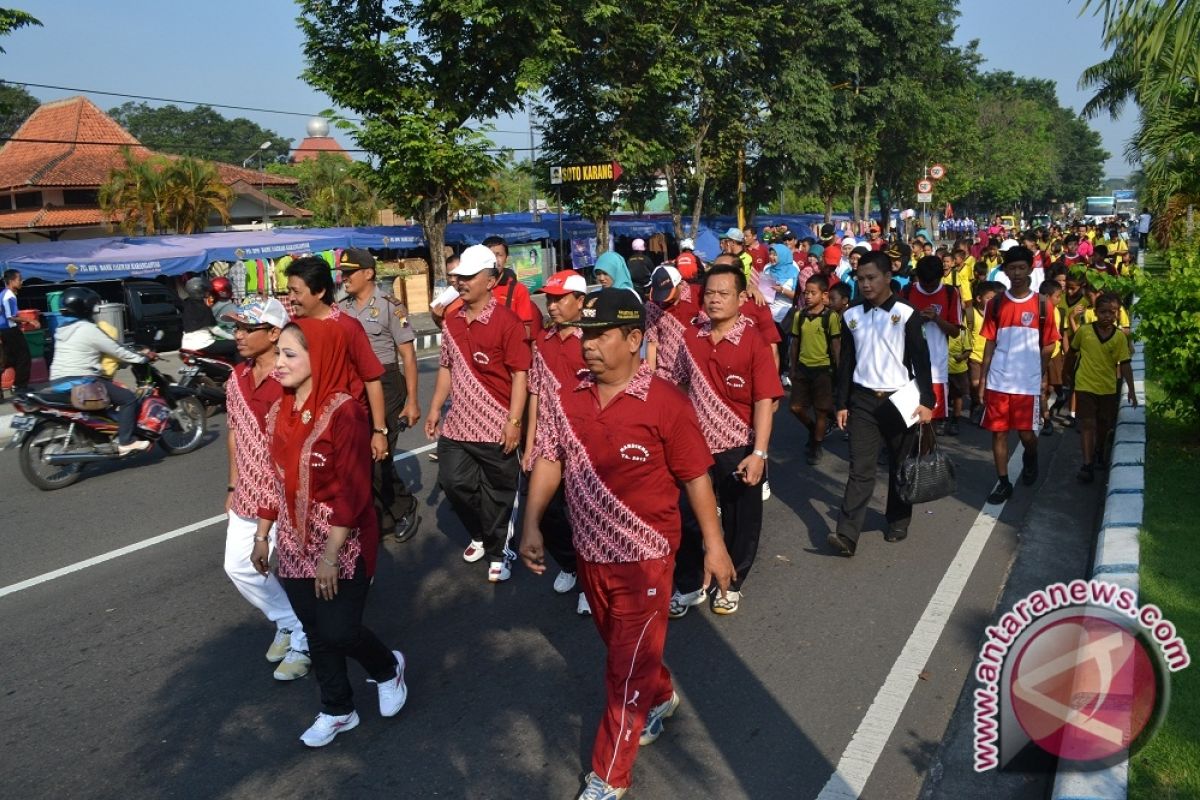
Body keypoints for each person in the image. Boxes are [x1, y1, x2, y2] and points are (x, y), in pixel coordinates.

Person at [518, 288, 735, 800]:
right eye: (586, 334)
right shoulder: (567, 396)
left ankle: (608, 776)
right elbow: (549, 457)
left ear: (635, 338)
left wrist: (714, 544)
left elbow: (696, 476)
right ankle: (659, 695)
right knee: (625, 651)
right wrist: (531, 524)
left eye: (601, 335)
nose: (588, 345)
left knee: (621, 671)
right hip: (591, 554)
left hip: (647, 561)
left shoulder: (665, 402)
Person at [254, 318, 406, 748]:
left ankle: (387, 669)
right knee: (316, 631)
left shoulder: (345, 412)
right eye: (277, 353)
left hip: (343, 540)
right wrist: (263, 535)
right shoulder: (277, 412)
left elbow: (356, 490)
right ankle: (338, 709)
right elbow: (273, 478)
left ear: (317, 358)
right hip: (294, 541)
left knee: (340, 630)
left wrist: (331, 554)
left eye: (289, 354)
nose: (278, 363)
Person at [667, 264, 783, 617]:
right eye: (710, 294)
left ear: (740, 298)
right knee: (684, 515)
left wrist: (759, 453)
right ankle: (688, 585)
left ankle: (731, 582)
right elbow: (680, 385)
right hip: (694, 448)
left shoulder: (754, 342)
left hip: (739, 447)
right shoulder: (691, 337)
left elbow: (765, 399)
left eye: (723, 294)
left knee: (740, 520)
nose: (715, 300)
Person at [424, 244, 530, 582]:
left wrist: (514, 422)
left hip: (496, 423)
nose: (461, 282)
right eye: (459, 276)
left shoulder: (507, 322)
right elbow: (445, 368)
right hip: (459, 425)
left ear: (491, 280)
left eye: (470, 276)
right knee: (453, 483)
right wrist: (435, 408)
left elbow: (520, 376)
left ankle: (501, 551)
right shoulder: (452, 321)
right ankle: (482, 533)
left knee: (500, 494)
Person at [220, 298, 310, 681]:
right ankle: (288, 620)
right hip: (248, 493)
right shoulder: (235, 377)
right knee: (238, 565)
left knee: (297, 568)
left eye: (246, 328)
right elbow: (234, 434)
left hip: (289, 493)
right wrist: (232, 482)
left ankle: (305, 639)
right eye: (235, 328)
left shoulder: (294, 378)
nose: (238, 335)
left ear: (274, 334)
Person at [829, 251, 935, 556]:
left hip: (900, 400)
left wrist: (927, 402)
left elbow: (921, 361)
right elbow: (846, 364)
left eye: (872, 278)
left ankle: (898, 520)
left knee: (901, 465)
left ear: (889, 277)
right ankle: (847, 534)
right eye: (860, 279)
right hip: (862, 401)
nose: (865, 284)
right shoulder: (851, 316)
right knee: (860, 468)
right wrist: (841, 404)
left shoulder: (907, 313)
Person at [337, 248, 423, 543]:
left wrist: (412, 400)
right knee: (356, 455)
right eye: (343, 272)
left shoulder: (390, 306)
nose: (344, 277)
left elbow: (408, 357)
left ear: (368, 273)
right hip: (353, 385)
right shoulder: (342, 306)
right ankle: (381, 514)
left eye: (349, 272)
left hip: (385, 383)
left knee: (376, 453)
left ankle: (404, 506)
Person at [524, 269, 592, 616]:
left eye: (559, 298)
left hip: (583, 440)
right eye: (548, 298)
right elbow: (535, 391)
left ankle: (590, 582)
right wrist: (531, 440)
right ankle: (570, 564)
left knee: (583, 513)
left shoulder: (594, 340)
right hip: (548, 441)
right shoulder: (544, 341)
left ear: (580, 301)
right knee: (546, 511)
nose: (551, 306)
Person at [285, 255, 391, 463]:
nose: (290, 298)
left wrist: (379, 431)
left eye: (296, 292)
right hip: (305, 426)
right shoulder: (292, 328)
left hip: (346, 427)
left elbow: (371, 379)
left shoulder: (347, 327)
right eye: (289, 291)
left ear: (320, 291)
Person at [977, 246, 1061, 504]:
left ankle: (1031, 456)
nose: (1016, 273)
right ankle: (1003, 482)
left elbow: (1049, 344)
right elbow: (990, 342)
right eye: (1011, 268)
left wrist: (1039, 368)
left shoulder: (1042, 305)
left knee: (1027, 435)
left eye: (1021, 267)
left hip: (1027, 383)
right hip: (999, 381)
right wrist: (983, 380)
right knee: (999, 433)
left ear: (1030, 269)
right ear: (1005, 270)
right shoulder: (996, 303)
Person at [49, 287, 156, 456]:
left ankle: (104, 435)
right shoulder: (88, 329)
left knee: (107, 395)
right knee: (128, 398)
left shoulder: (61, 329)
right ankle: (126, 441)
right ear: (85, 308)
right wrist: (142, 358)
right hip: (81, 381)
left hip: (58, 382)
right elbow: (116, 349)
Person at [1070, 292, 1137, 483]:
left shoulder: (1119, 338)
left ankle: (1099, 449)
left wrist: (1131, 390)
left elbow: (1124, 364)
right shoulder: (1084, 331)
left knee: (1103, 425)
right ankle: (1087, 464)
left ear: (1117, 314)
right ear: (1096, 312)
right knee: (1088, 424)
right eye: (1103, 312)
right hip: (1085, 385)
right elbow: (1072, 354)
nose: (1107, 316)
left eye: (1112, 312)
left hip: (1107, 387)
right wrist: (1069, 376)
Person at [903, 255, 964, 433]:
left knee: (931, 418)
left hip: (937, 366)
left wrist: (936, 319)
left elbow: (954, 331)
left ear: (941, 277)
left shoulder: (950, 293)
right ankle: (909, 453)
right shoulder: (907, 293)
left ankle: (927, 456)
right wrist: (917, 320)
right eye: (924, 284)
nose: (928, 288)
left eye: (932, 284)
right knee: (909, 415)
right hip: (909, 365)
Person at [789, 274, 842, 463]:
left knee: (821, 410)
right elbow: (794, 343)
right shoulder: (799, 316)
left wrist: (838, 370)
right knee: (795, 407)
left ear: (824, 295)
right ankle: (813, 429)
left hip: (823, 370)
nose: (808, 296)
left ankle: (816, 445)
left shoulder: (831, 317)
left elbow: (836, 345)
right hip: (803, 368)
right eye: (806, 293)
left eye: (813, 293)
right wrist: (792, 367)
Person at [645, 264, 700, 380]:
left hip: (695, 369)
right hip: (667, 373)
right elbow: (652, 343)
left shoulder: (697, 294)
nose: (664, 301)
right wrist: (651, 377)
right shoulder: (652, 306)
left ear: (679, 284)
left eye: (668, 294)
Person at [180, 277, 239, 361]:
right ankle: (239, 371)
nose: (209, 292)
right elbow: (215, 330)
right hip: (204, 344)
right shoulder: (203, 307)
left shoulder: (187, 304)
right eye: (206, 290)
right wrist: (233, 338)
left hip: (186, 344)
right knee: (239, 345)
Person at [1038, 280, 1066, 437]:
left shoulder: (1059, 311)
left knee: (1053, 386)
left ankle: (1061, 395)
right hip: (1041, 355)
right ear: (1047, 297)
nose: (1059, 299)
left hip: (1054, 354)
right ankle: (1046, 420)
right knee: (1042, 389)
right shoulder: (1039, 310)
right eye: (1057, 296)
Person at [0, 268, 31, 391]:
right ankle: (20, 387)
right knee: (24, 357)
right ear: (12, 281)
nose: (21, 281)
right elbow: (11, 317)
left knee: (7, 360)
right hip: (9, 331)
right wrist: (30, 320)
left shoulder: (3, 294)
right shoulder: (9, 296)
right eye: (19, 279)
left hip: (4, 330)